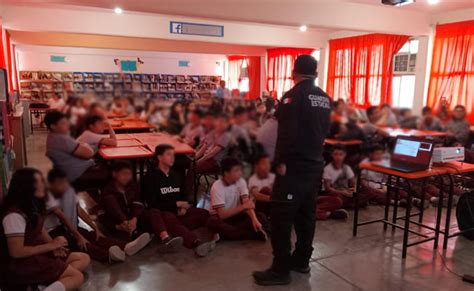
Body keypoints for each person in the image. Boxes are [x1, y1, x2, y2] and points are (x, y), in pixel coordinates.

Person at [253, 55, 331, 286]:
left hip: (294, 167)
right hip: (314, 165)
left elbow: (287, 134)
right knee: (306, 215)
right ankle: (302, 260)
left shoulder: (292, 97)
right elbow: (325, 130)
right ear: (315, 73)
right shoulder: (325, 98)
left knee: (281, 217)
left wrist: (279, 162)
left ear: (294, 73)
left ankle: (280, 270)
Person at [1, 168, 90, 290]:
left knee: (84, 258)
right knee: (77, 277)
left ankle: (41, 285)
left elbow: (39, 228)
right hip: (21, 264)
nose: (44, 185)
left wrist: (53, 246)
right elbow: (16, 252)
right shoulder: (14, 215)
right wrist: (50, 246)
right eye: (39, 182)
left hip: (36, 253)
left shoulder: (31, 204)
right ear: (27, 186)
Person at [45, 169, 150, 263]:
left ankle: (127, 246)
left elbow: (79, 210)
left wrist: (95, 228)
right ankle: (108, 255)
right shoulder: (48, 197)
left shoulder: (68, 191)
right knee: (82, 243)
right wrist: (78, 236)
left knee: (93, 235)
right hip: (54, 232)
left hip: (70, 227)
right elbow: (62, 217)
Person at [143, 145, 216, 257]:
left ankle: (170, 231)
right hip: (165, 211)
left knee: (204, 214)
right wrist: (175, 205)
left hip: (178, 212)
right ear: (159, 157)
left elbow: (183, 195)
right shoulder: (151, 177)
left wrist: (182, 206)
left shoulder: (176, 175)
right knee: (170, 218)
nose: (172, 158)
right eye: (169, 155)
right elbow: (152, 204)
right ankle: (195, 242)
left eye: (173, 155)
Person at [100, 161, 182, 253]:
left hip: (134, 220)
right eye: (124, 174)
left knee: (154, 212)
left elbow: (138, 203)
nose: (127, 177)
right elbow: (110, 210)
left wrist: (134, 218)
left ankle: (165, 238)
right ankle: (134, 237)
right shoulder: (107, 191)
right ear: (114, 174)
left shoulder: (133, 186)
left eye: (129, 174)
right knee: (110, 205)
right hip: (118, 223)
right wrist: (123, 222)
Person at [206, 157, 269, 241]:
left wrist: (254, 219)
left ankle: (224, 235)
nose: (240, 173)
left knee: (260, 216)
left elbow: (247, 203)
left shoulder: (241, 181)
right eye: (236, 170)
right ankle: (253, 235)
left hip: (236, 216)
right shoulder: (217, 187)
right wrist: (243, 207)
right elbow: (222, 215)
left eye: (240, 170)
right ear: (226, 173)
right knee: (212, 222)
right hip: (221, 218)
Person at [44, 111, 108, 190]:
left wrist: (82, 145)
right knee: (113, 173)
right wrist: (84, 145)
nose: (68, 125)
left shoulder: (52, 137)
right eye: (63, 123)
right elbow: (89, 153)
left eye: (66, 122)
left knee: (105, 163)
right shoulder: (62, 140)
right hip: (78, 174)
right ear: (53, 126)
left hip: (71, 172)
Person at [323, 145, 368, 209]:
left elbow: (353, 183)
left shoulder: (346, 168)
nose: (338, 157)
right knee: (337, 199)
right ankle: (349, 204)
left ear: (344, 155)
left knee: (366, 190)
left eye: (341, 154)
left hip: (345, 191)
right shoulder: (328, 168)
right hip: (335, 193)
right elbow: (328, 188)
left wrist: (353, 189)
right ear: (332, 155)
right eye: (336, 154)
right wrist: (342, 192)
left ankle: (348, 204)